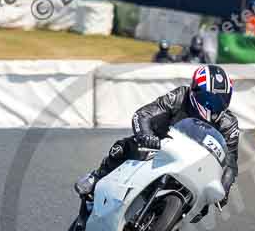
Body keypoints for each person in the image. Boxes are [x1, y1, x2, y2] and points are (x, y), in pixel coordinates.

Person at [75, 64, 239, 217]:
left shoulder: (229, 124)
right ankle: (97, 177)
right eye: (209, 99)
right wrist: (146, 135)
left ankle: (166, 224)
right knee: (123, 147)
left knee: (202, 208)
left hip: (196, 166)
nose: (214, 105)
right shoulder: (180, 96)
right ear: (195, 90)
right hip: (161, 146)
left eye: (221, 100)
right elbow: (144, 114)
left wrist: (224, 189)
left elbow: (230, 162)